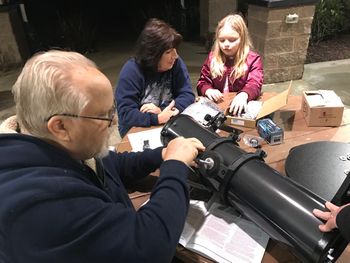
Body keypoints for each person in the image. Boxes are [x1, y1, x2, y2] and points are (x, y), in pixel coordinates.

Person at [0, 50, 205, 263]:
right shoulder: (36, 203)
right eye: (103, 115)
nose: (114, 121)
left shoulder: (53, 144)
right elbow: (149, 248)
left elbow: (108, 164)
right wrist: (175, 164)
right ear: (61, 126)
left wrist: (162, 154)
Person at [115, 18, 195, 138]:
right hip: (137, 129)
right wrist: (157, 118)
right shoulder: (132, 70)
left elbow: (187, 94)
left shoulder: (176, 63)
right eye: (168, 52)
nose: (175, 56)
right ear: (153, 54)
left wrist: (164, 111)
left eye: (175, 50)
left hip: (168, 121)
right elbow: (126, 113)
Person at [197, 14, 263, 116]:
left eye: (232, 40)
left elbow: (254, 83)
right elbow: (203, 81)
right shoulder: (212, 58)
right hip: (216, 108)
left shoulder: (253, 59)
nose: (226, 44)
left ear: (242, 38)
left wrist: (244, 94)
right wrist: (207, 90)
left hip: (239, 107)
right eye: (222, 40)